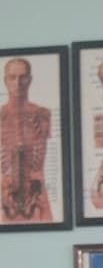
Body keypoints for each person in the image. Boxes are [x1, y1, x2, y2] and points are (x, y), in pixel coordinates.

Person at [1, 56, 52, 223]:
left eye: (23, 77)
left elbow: (39, 165)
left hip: (36, 193)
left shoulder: (42, 114)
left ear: (30, 80)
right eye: (12, 77)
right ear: (5, 80)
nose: (17, 83)